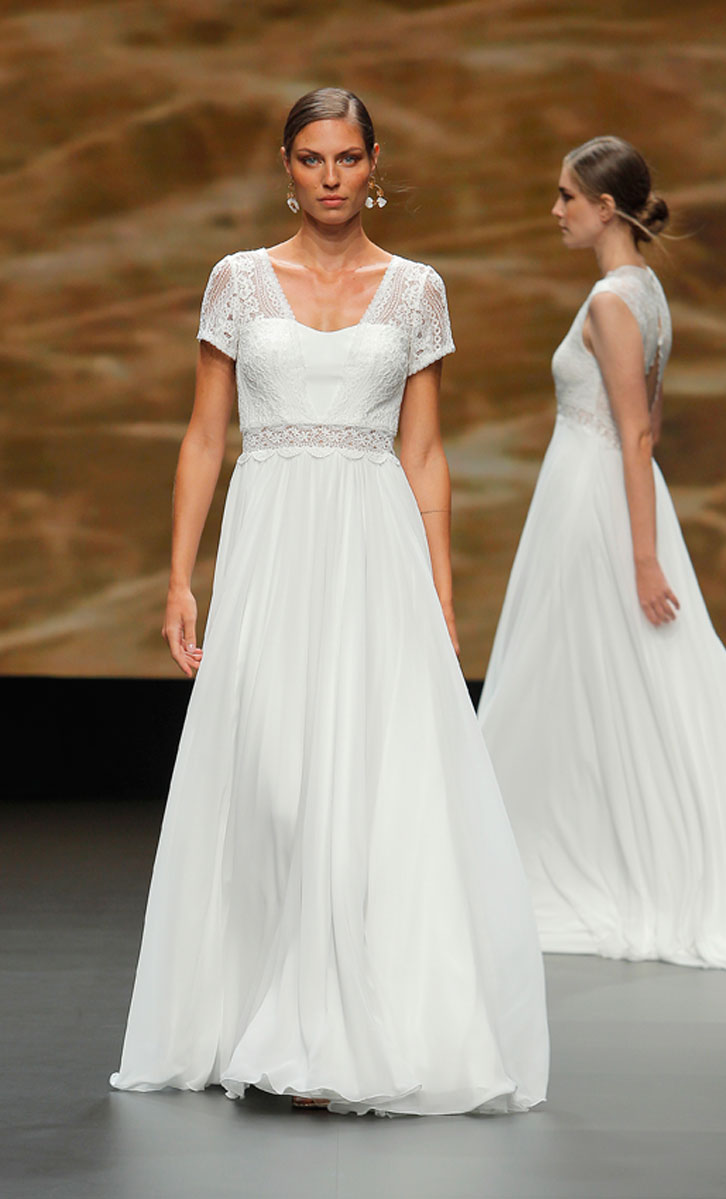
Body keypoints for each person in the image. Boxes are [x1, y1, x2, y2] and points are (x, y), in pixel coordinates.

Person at [110, 88, 548, 1114]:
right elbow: (204, 437)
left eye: (347, 158)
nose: (331, 177)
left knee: (362, 784)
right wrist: (178, 576)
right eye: (312, 159)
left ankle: (336, 1026)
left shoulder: (417, 290)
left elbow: (424, 454)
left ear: (373, 162)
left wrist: (442, 596)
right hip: (268, 556)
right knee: (272, 778)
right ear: (286, 165)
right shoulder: (236, 280)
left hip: (374, 557)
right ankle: (264, 1006)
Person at [479, 135, 726, 974]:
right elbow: (646, 422)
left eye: (566, 197)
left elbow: (635, 433)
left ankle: (556, 854)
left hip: (596, 506)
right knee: (599, 673)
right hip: (603, 498)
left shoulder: (612, 304)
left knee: (585, 666)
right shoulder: (645, 293)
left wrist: (644, 557)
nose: (555, 210)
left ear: (605, 208)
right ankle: (584, 839)